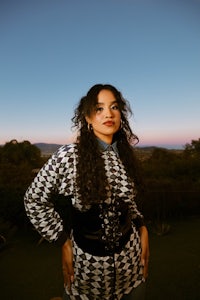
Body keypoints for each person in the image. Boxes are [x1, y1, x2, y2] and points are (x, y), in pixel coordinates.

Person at [24, 84, 149, 300]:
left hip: (132, 262)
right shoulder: (70, 155)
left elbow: (129, 202)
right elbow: (34, 199)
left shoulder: (125, 155)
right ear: (88, 118)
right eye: (99, 108)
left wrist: (142, 226)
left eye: (114, 107)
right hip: (88, 271)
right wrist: (62, 239)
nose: (108, 114)